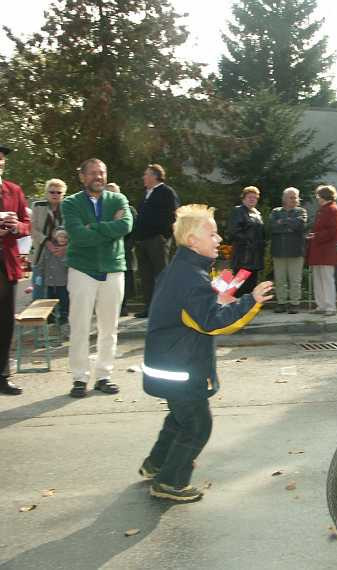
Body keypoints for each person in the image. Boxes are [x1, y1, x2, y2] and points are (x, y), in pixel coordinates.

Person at [138, 204, 273, 502]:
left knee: (179, 418)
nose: (218, 238)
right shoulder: (190, 277)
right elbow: (213, 322)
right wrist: (251, 301)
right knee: (198, 425)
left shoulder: (184, 269)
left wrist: (218, 296)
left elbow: (194, 310)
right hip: (180, 368)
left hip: (169, 363)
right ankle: (169, 482)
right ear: (192, 241)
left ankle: (157, 463)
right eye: (210, 233)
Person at [62, 158, 133, 398]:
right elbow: (77, 235)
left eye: (101, 173)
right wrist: (107, 228)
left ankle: (104, 375)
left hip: (113, 270)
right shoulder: (70, 203)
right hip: (82, 270)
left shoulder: (118, 199)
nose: (98, 177)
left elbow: (125, 226)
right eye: (92, 173)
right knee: (80, 326)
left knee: (109, 327)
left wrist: (93, 227)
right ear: (82, 177)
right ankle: (79, 378)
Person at [0, 137, 30, 395]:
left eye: (1, 158)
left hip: (6, 266)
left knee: (4, 322)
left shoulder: (14, 190)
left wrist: (16, 226)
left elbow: (27, 223)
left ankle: (0, 377)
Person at [133, 164, 179, 318]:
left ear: (155, 176)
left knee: (161, 274)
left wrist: (164, 236)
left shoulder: (166, 192)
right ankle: (150, 307)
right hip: (143, 241)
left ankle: (165, 308)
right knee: (146, 275)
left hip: (157, 240)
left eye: (146, 174)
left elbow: (174, 216)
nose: (143, 177)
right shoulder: (146, 193)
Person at [31, 179, 67, 314]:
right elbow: (33, 229)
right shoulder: (38, 206)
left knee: (62, 289)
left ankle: (62, 319)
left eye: (59, 192)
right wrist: (47, 242)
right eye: (52, 192)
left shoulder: (68, 208)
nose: (55, 195)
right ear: (46, 193)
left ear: (63, 194)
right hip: (42, 253)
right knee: (40, 288)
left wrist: (65, 247)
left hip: (62, 254)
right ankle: (39, 322)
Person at [269, 187, 307, 314]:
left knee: (295, 280)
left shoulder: (301, 211)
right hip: (278, 251)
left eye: (296, 197)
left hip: (296, 251)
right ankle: (281, 303)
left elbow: (299, 226)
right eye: (291, 197)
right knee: (280, 280)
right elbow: (272, 227)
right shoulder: (275, 211)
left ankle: (294, 304)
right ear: (284, 199)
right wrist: (289, 225)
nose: (294, 200)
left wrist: (282, 222)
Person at [307, 184, 337, 316]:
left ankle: (330, 307)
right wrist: (315, 235)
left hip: (327, 251)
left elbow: (333, 231)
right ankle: (321, 305)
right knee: (319, 279)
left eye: (318, 195)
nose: (317, 198)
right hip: (320, 250)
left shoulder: (332, 209)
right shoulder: (324, 209)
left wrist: (316, 236)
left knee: (326, 279)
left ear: (323, 196)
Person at [227, 186, 264, 297]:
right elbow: (233, 232)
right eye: (249, 197)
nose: (252, 199)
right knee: (239, 285)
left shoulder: (257, 214)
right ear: (243, 198)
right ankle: (234, 308)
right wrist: (249, 242)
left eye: (255, 198)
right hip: (242, 255)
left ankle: (247, 309)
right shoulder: (238, 211)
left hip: (255, 255)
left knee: (251, 284)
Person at [107, 182, 137, 317]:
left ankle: (123, 306)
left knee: (124, 280)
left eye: (115, 193)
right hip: (106, 252)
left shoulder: (129, 210)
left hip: (125, 250)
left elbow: (133, 230)